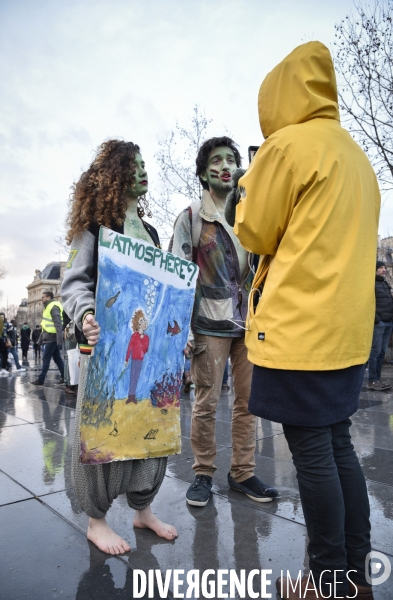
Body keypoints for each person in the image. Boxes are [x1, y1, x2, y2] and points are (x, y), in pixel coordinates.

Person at [232, 42, 380, 599]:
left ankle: (326, 580)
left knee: (313, 452)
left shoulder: (288, 146)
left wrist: (248, 188)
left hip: (299, 329)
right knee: (338, 445)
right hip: (345, 330)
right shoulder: (356, 156)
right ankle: (356, 572)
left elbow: (255, 231)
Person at [61, 139, 177, 555]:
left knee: (151, 429)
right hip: (106, 349)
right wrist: (87, 313)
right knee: (100, 432)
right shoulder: (92, 228)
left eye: (146, 165)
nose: (144, 172)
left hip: (149, 350)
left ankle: (143, 510)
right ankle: (96, 520)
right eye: (135, 167)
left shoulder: (151, 232)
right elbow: (72, 281)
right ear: (115, 176)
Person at [172, 136, 278, 507]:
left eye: (231, 160)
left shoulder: (249, 215)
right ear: (203, 173)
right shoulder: (191, 218)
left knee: (249, 402)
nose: (225, 166)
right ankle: (202, 473)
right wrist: (182, 328)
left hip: (248, 324)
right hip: (208, 325)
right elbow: (180, 277)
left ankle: (243, 473)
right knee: (206, 402)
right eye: (216, 160)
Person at [367, 261, 393, 391]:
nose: (384, 270)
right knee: (375, 351)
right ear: (375, 269)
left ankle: (378, 379)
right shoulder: (371, 284)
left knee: (382, 352)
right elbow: (368, 303)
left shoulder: (385, 283)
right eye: (381, 268)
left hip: (389, 322)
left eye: (384, 267)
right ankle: (372, 380)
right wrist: (377, 319)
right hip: (380, 323)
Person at [31, 292, 65, 386]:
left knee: (46, 358)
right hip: (50, 336)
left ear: (49, 297)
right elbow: (46, 325)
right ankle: (65, 377)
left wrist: (59, 339)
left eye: (43, 297)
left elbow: (58, 323)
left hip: (52, 337)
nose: (41, 299)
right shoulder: (48, 306)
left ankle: (41, 380)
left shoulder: (53, 306)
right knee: (57, 358)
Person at [124, 309, 149, 404]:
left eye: (144, 320)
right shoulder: (134, 336)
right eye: (141, 321)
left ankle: (133, 396)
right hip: (134, 359)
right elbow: (129, 347)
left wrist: (142, 341)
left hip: (140, 360)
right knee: (132, 377)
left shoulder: (146, 337)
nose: (144, 322)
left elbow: (146, 349)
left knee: (136, 377)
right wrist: (126, 359)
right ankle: (130, 396)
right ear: (137, 324)